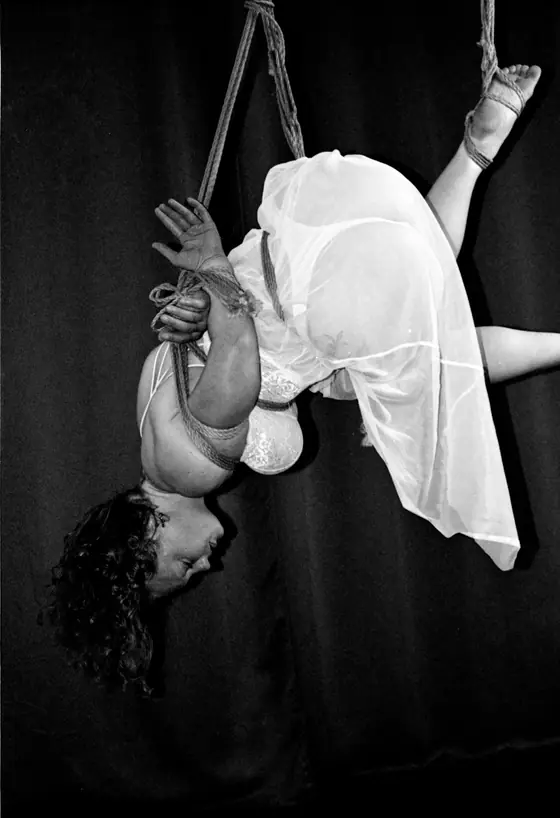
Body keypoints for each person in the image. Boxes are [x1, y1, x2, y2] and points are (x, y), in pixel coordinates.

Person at [51, 64, 550, 693]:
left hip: (300, 296)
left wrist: (209, 266)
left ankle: (481, 163)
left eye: (180, 567)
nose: (205, 567)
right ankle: (476, 150)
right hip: (301, 286)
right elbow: (249, 370)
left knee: (440, 364)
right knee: (429, 309)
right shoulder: (153, 439)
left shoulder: (192, 470)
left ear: (147, 539)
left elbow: (238, 349)